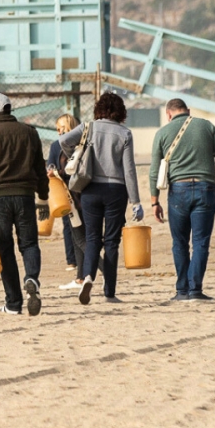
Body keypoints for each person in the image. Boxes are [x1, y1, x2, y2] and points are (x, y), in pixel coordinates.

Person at [60, 92, 143, 305]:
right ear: (120, 112)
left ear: (99, 109)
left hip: (91, 189)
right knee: (112, 242)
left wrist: (75, 154)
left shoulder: (90, 127)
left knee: (92, 238)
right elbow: (129, 169)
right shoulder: (125, 133)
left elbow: (63, 140)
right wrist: (135, 201)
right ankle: (109, 292)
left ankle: (88, 276)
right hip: (116, 190)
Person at [0, 93, 50, 316]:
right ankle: (32, 278)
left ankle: (14, 304)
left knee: (5, 250)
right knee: (29, 244)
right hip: (25, 197)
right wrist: (43, 198)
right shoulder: (30, 133)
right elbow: (40, 170)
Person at [149, 98, 215, 302]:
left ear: (169, 114)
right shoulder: (206, 126)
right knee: (200, 242)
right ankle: (195, 290)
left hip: (178, 190)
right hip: (206, 188)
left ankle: (182, 291)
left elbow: (154, 171)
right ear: (187, 111)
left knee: (179, 242)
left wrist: (155, 201)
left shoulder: (162, 133)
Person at [47, 113, 86, 289]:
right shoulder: (85, 142)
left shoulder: (58, 145)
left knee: (74, 233)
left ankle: (78, 266)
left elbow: (51, 166)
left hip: (68, 196)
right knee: (86, 233)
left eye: (60, 128)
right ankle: (82, 273)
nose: (58, 132)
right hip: (86, 193)